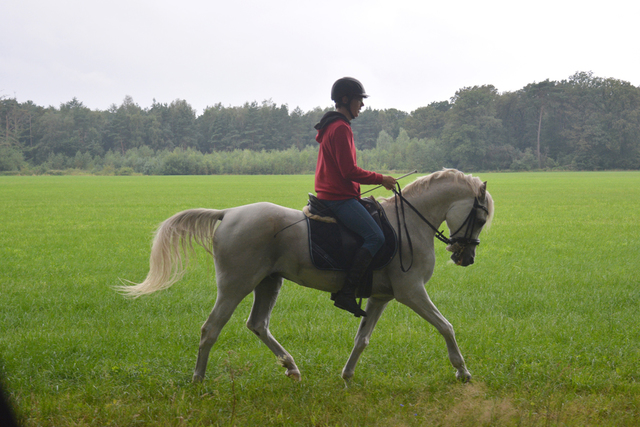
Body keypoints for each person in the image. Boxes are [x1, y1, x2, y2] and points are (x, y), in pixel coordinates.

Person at [314, 77, 396, 317]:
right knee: (375, 236)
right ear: (346, 99)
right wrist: (382, 179)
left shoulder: (332, 125)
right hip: (338, 198)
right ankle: (347, 293)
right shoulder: (340, 128)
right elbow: (348, 171)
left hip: (335, 194)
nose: (362, 105)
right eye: (360, 99)